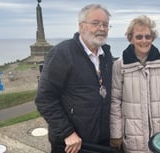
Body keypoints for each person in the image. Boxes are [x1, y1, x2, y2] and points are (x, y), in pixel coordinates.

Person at [35, 4, 113, 153]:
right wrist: (67, 132)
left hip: (101, 139)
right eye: (95, 23)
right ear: (81, 26)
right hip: (73, 143)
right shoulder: (62, 53)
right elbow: (44, 98)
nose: (102, 28)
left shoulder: (106, 55)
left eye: (105, 24)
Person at [110, 15, 160, 153]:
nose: (144, 41)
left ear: (152, 38)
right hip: (132, 137)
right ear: (131, 38)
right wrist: (116, 134)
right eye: (139, 37)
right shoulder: (120, 65)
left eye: (147, 36)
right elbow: (115, 102)